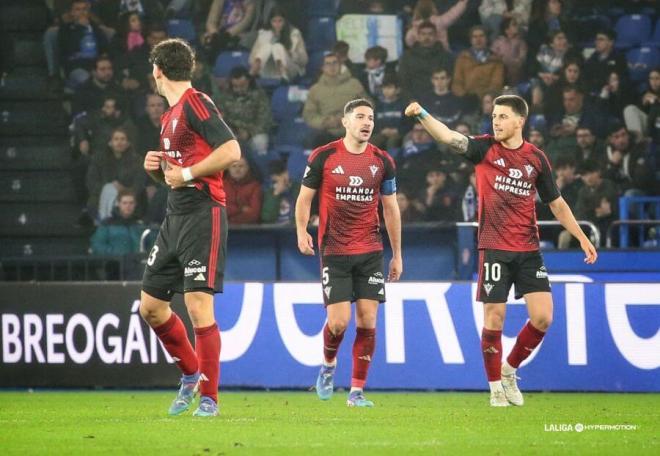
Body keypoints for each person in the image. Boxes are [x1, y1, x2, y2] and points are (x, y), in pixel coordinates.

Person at [405, 94, 597, 407]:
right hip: (493, 247)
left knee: (543, 317)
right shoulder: (484, 148)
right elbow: (448, 137)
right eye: (494, 116)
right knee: (494, 319)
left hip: (528, 248)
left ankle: (509, 370)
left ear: (520, 121)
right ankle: (495, 387)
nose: (496, 121)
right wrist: (422, 113)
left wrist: (581, 235)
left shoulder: (536, 158)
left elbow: (557, 204)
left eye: (503, 116)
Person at [140, 38, 241, 418]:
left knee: (199, 306)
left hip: (204, 213)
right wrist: (156, 169)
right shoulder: (169, 116)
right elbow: (173, 179)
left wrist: (184, 172)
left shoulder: (196, 102)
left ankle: (210, 398)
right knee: (151, 308)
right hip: (175, 215)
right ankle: (190, 373)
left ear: (157, 70)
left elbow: (231, 150)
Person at [295, 98, 402, 408]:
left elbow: (391, 210)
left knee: (368, 321)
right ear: (345, 122)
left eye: (371, 118)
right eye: (360, 117)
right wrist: (301, 231)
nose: (367, 122)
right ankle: (328, 366)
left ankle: (356, 391)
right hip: (335, 251)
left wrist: (397, 254)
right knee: (339, 323)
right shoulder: (324, 156)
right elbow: (304, 199)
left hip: (370, 251)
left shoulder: (383, 161)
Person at [248, 6, 308, 81]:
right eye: (274, 21)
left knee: (277, 46)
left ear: (285, 21)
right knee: (267, 46)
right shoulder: (263, 34)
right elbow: (251, 59)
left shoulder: (294, 34)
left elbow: (304, 61)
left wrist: (292, 54)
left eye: (280, 21)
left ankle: (283, 74)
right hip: (268, 70)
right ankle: (252, 73)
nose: (277, 24)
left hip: (289, 69)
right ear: (270, 22)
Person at [223, 157, 263, 224]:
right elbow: (218, 211)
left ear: (247, 168)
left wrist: (230, 217)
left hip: (248, 230)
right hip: (224, 230)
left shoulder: (255, 186)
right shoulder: (221, 185)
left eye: (241, 166)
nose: (237, 169)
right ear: (228, 168)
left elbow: (254, 214)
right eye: (234, 166)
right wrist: (241, 209)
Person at [261, 159, 301, 224]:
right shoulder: (270, 192)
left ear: (287, 173)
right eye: (276, 180)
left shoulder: (298, 189)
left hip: (293, 229)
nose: (280, 180)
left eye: (282, 175)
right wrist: (276, 194)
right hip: (275, 230)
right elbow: (267, 217)